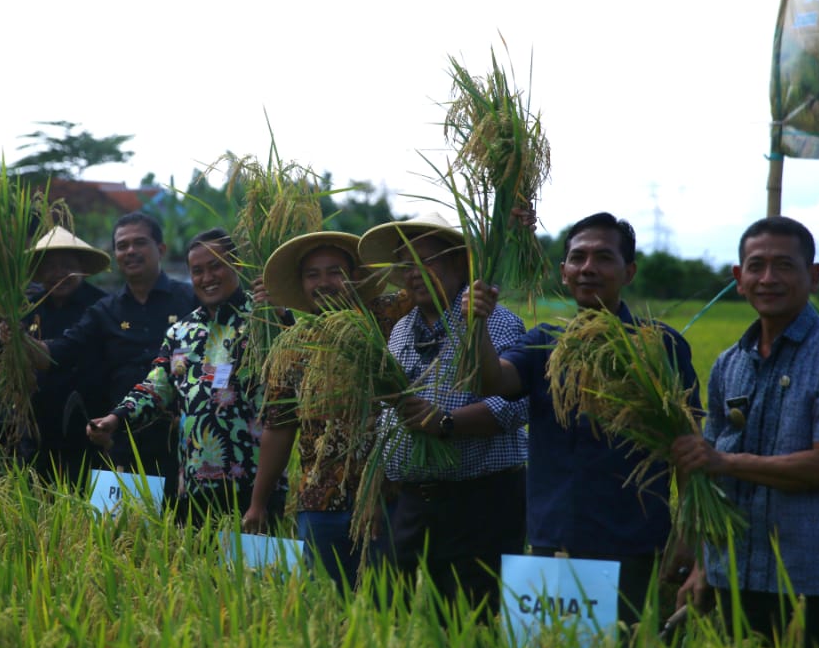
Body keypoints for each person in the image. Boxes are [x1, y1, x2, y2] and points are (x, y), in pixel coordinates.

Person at [671, 216, 819, 648]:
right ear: (738, 279)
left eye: (784, 265)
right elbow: (713, 485)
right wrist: (705, 565)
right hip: (733, 580)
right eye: (756, 266)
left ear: (813, 276)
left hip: (809, 583)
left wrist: (724, 461)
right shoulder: (729, 364)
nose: (768, 278)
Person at [484, 212, 698, 628]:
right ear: (563, 272)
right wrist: (476, 324)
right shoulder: (545, 342)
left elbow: (690, 449)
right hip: (551, 542)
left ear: (628, 271)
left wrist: (688, 535)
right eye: (577, 258)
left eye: (603, 257)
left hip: (632, 543)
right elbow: (492, 380)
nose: (588, 268)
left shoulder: (660, 346)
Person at [356, 212, 528, 617]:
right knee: (392, 615)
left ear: (458, 266)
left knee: (472, 619)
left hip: (482, 500)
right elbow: (388, 414)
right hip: (415, 501)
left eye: (426, 261)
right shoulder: (400, 332)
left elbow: (514, 405)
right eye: (406, 264)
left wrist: (446, 423)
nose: (414, 274)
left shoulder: (496, 324)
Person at [87, 228, 284, 524]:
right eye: (197, 271)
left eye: (216, 266)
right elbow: (156, 387)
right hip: (194, 486)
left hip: (256, 486)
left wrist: (280, 317)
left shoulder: (265, 319)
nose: (207, 278)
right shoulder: (181, 332)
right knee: (201, 567)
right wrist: (115, 418)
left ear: (238, 266)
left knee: (260, 570)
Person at [241, 231, 390, 590]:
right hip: (319, 500)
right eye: (312, 275)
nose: (324, 283)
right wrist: (257, 503)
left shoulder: (384, 320)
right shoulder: (292, 346)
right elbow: (279, 426)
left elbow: (434, 286)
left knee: (386, 605)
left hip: (386, 497)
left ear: (355, 277)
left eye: (335, 271)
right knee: (327, 609)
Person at [25, 212, 196, 485]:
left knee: (188, 523)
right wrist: (16, 337)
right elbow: (57, 354)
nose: (130, 251)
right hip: (122, 441)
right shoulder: (105, 310)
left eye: (139, 242)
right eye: (122, 245)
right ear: (115, 254)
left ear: (160, 249)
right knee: (130, 524)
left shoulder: (191, 300)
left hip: (186, 439)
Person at [19, 225, 110, 485]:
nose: (58, 274)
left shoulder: (100, 305)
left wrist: (21, 340)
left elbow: (64, 351)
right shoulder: (31, 307)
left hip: (88, 421)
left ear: (82, 266)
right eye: (49, 267)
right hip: (39, 423)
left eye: (66, 265)